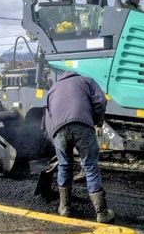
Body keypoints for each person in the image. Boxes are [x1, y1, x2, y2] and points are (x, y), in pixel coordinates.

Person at [44, 70, 114, 223]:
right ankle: (101, 213)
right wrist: (98, 121)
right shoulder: (87, 81)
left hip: (58, 130)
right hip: (82, 125)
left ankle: (65, 208)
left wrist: (54, 138)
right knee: (90, 165)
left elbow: (48, 116)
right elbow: (100, 101)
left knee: (64, 165)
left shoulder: (53, 88)